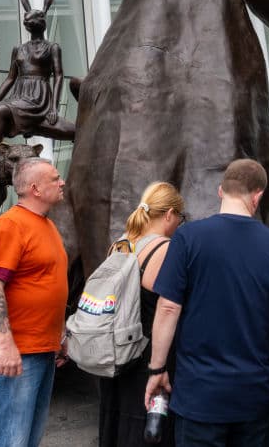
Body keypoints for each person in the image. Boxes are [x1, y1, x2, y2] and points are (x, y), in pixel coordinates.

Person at [145, 159, 269, 446]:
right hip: (254, 395)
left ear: (220, 191)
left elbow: (168, 307)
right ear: (257, 196)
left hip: (198, 395)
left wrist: (157, 369)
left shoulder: (188, 237)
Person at [0, 157, 68, 447]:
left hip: (41, 347)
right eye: (55, 178)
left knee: (27, 440)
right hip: (14, 353)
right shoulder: (10, 226)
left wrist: (59, 334)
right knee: (8, 441)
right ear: (35, 189)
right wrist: (4, 345)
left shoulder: (46, 226)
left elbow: (49, 284)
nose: (62, 181)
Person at [99, 182, 186, 447]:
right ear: (169, 214)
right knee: (149, 424)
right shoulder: (164, 250)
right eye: (181, 218)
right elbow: (168, 306)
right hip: (149, 353)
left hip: (118, 351)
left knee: (117, 420)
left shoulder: (120, 244)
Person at [0, 0, 76, 144]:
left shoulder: (52, 47)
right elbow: (10, 78)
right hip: (19, 93)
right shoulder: (19, 49)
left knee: (1, 111)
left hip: (38, 96)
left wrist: (53, 108)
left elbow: (58, 76)